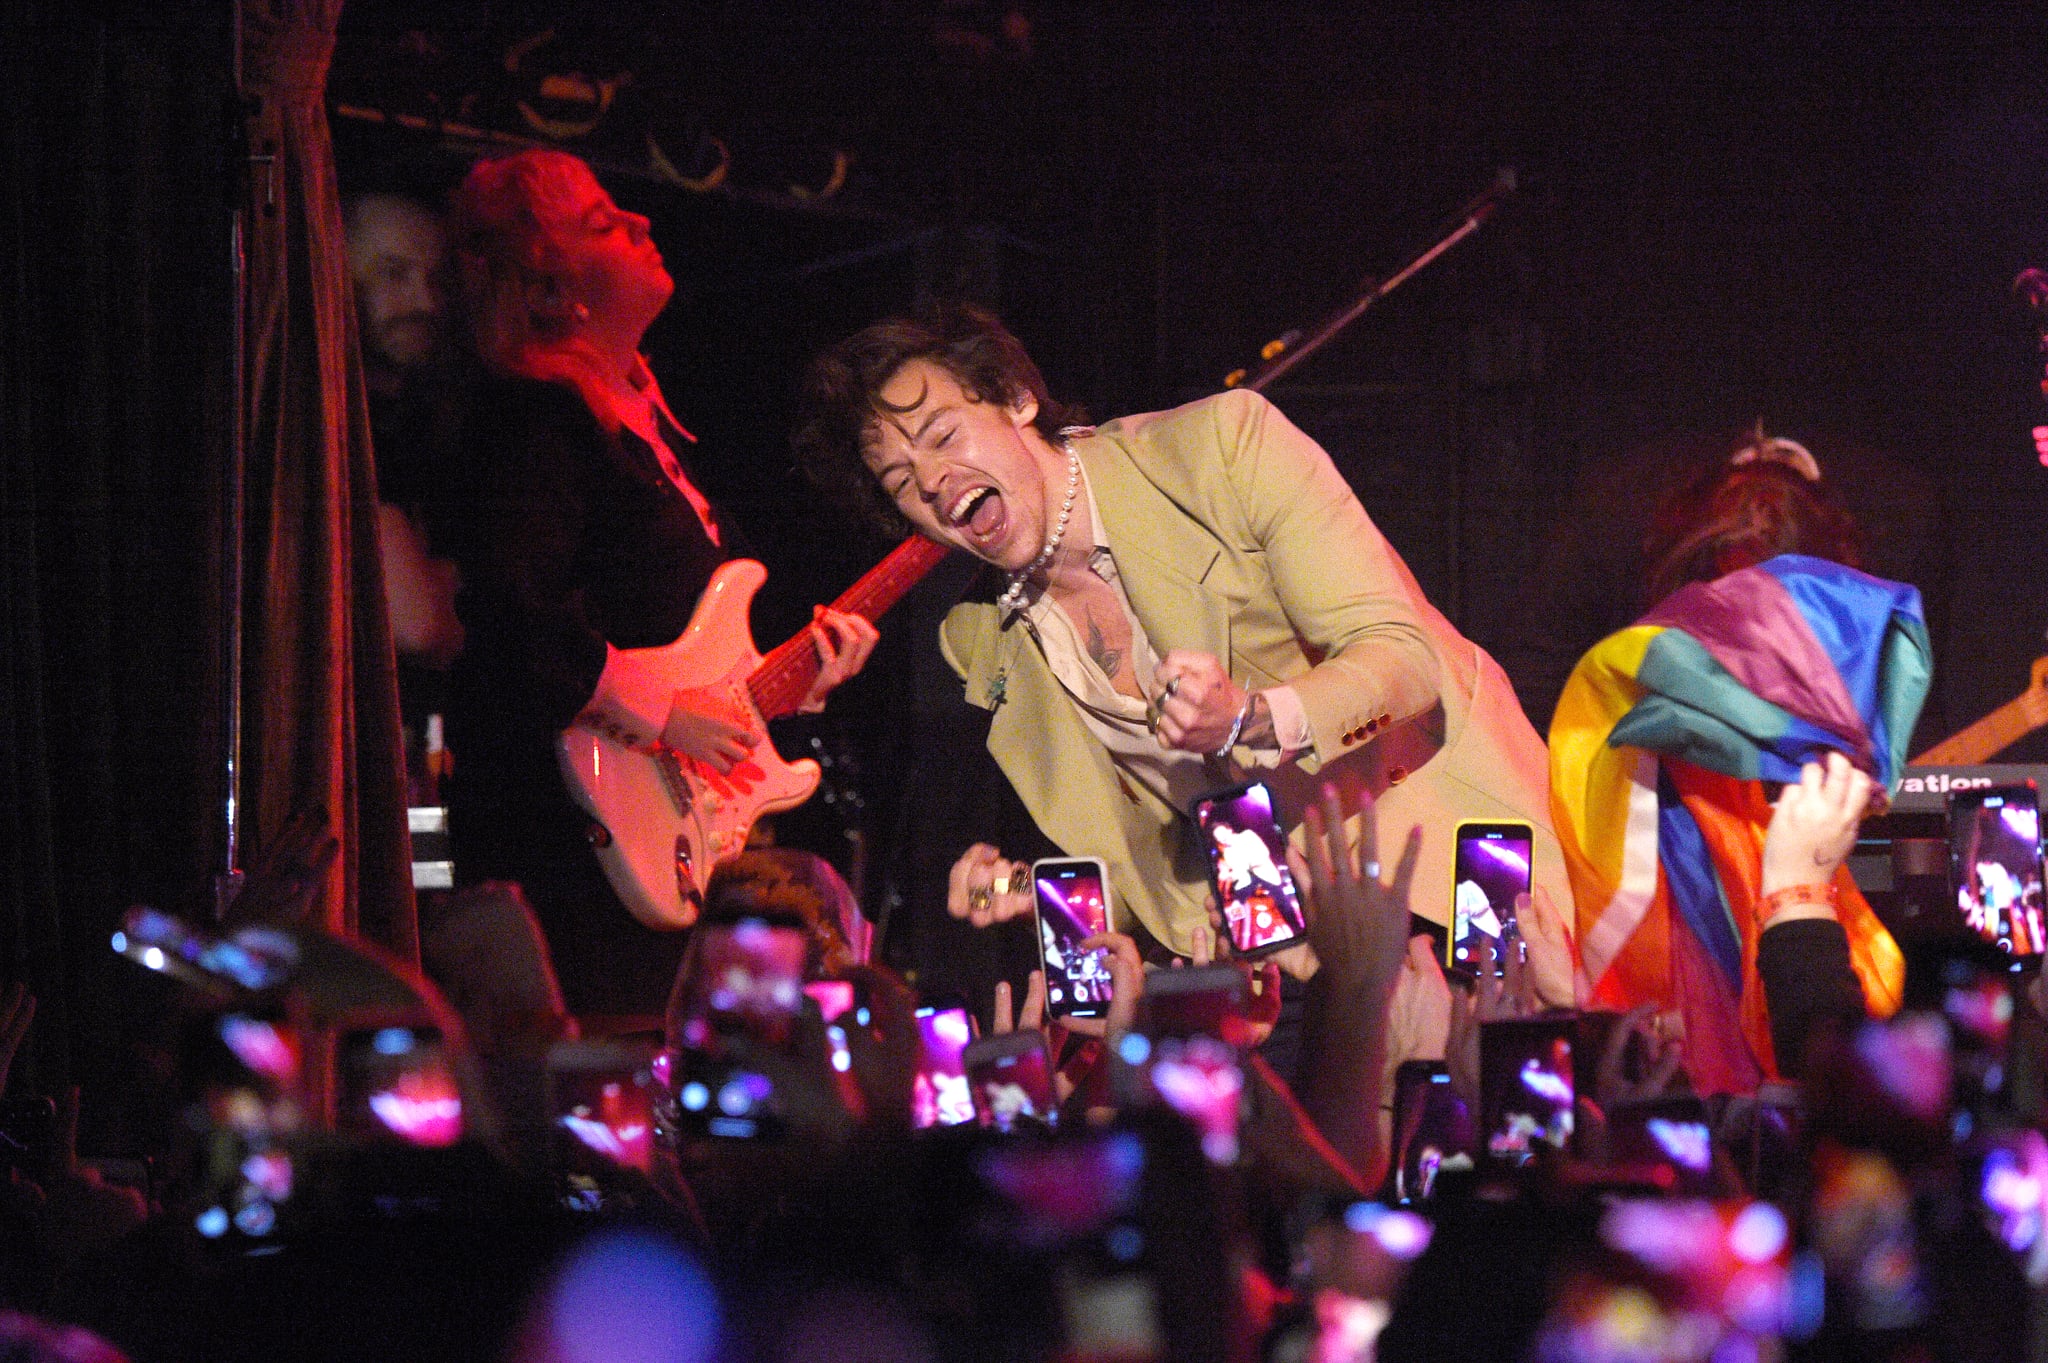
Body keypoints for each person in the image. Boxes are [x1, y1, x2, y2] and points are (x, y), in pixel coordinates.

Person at [793, 302, 1575, 1001]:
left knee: (1504, 1127)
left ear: (1016, 399)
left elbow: (1403, 662)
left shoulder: (1219, 450)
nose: (931, 479)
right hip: (1280, 954)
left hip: (1439, 858)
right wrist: (1034, 888)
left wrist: (1251, 716)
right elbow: (1142, 863)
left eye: (943, 435)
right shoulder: (984, 641)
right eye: (900, 478)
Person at [440, 150, 877, 1015]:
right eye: (603, 223)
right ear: (552, 289)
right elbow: (506, 610)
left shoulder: (647, 426)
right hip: (575, 838)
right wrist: (656, 705)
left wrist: (799, 680)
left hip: (667, 835)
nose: (642, 221)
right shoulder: (539, 420)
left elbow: (692, 642)